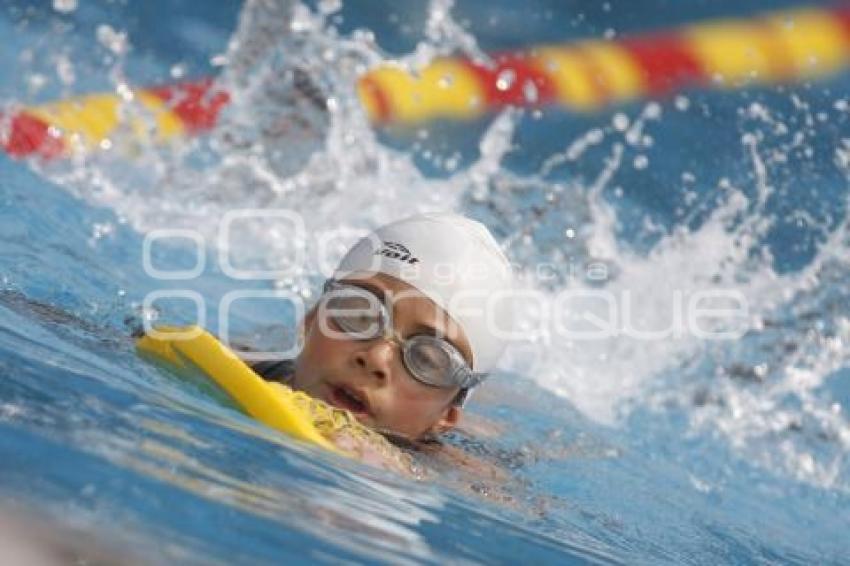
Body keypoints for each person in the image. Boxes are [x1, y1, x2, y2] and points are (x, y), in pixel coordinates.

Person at [252, 212, 515, 443]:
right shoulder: (238, 367)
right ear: (310, 321)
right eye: (359, 315)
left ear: (446, 416)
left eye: (425, 359)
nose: (375, 358)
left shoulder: (462, 481)